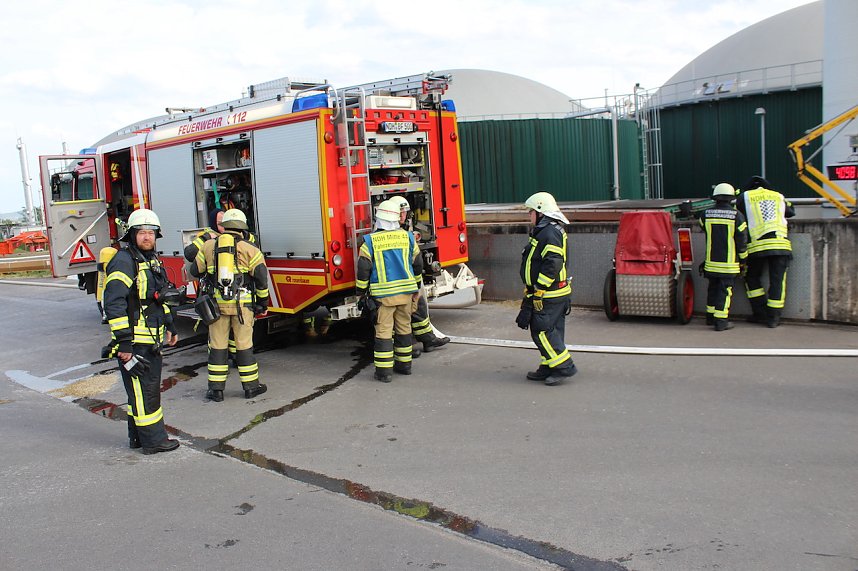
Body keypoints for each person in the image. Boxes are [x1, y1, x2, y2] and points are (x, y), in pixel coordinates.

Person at [102, 208, 180, 454]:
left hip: (152, 338)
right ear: (132, 235)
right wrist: (123, 344)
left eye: (151, 233)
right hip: (135, 342)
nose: (147, 237)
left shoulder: (151, 260)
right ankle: (154, 441)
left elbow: (160, 297)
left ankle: (137, 437)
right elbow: (114, 304)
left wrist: (170, 325)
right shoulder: (124, 261)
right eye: (142, 233)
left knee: (143, 391)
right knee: (145, 392)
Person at [190, 208, 270, 401]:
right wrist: (262, 303)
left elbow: (194, 270)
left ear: (224, 226)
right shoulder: (251, 249)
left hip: (216, 306)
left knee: (217, 346)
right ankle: (251, 387)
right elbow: (261, 278)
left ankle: (216, 390)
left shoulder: (208, 246)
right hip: (243, 307)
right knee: (244, 346)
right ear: (243, 227)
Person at [356, 199, 422, 382]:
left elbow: (363, 270)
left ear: (379, 218)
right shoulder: (408, 237)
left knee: (384, 332)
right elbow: (418, 264)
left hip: (383, 297)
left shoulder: (369, 242)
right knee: (404, 329)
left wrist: (361, 292)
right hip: (406, 293)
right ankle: (405, 365)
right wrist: (416, 287)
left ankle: (384, 372)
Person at [515, 191, 575, 386]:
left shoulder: (549, 233)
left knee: (541, 330)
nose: (529, 216)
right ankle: (548, 365)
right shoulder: (548, 231)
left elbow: (553, 263)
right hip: (552, 291)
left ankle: (564, 366)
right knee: (552, 330)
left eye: (531, 212)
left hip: (550, 293)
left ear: (540, 212)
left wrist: (539, 288)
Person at [386, 195, 451, 353]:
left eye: (405, 212)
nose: (403, 216)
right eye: (400, 212)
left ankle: (427, 339)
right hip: (393, 283)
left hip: (404, 280)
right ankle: (403, 349)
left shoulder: (400, 232)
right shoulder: (387, 235)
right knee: (397, 317)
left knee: (418, 307)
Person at [736, 176, 795, 327]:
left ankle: (760, 312)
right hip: (780, 245)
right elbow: (790, 212)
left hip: (757, 246)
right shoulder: (778, 196)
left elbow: (738, 216)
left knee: (751, 277)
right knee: (778, 281)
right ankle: (774, 318)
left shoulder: (745, 197)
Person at [697, 183, 749, 331]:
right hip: (728, 264)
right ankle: (720, 322)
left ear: (715, 197)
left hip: (711, 263)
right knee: (724, 292)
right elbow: (742, 242)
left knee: (712, 289)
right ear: (731, 198)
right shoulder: (737, 216)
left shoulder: (705, 215)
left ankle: (710, 317)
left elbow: (702, 227)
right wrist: (743, 260)